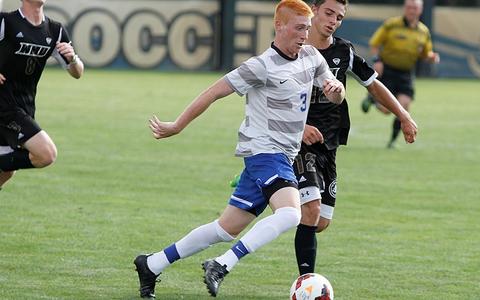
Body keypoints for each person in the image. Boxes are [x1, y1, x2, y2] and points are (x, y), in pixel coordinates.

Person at [133, 0, 345, 298]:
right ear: (279, 25)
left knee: (225, 229)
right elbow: (214, 92)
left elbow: (335, 91)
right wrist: (178, 125)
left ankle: (151, 264)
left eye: (307, 29)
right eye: (299, 28)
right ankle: (222, 264)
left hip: (284, 155)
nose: (304, 34)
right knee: (290, 214)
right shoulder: (260, 66)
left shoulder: (311, 56)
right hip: (264, 153)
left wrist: (336, 91)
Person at [293, 0, 418, 276]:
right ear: (313, 9)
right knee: (311, 211)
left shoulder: (343, 51)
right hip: (299, 142)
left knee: (320, 222)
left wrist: (403, 116)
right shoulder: (292, 49)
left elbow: (373, 84)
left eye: (339, 17)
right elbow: (266, 97)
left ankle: (278, 196)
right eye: (328, 13)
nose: (333, 21)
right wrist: (298, 127)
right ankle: (306, 283)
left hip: (330, 142)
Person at [0, 0, 84, 190]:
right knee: (46, 154)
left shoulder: (55, 30)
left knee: (6, 172)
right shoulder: (6, 21)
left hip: (25, 107)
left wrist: (73, 59)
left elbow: (78, 73)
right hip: (5, 106)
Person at [361, 0, 439, 149]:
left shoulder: (423, 31)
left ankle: (392, 141)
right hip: (388, 70)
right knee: (386, 110)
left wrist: (430, 56)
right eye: (409, 7)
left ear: (420, 10)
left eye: (415, 8)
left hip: (406, 74)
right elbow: (375, 43)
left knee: (404, 107)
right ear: (405, 8)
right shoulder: (391, 24)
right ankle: (373, 99)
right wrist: (377, 60)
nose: (412, 10)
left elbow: (424, 52)